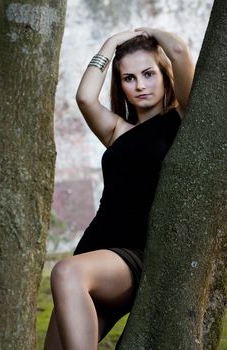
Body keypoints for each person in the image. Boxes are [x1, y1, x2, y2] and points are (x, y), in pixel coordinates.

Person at [44, 27, 194, 350]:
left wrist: (150, 32)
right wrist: (111, 43)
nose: (140, 85)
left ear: (164, 74)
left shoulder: (182, 117)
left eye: (148, 73)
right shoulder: (116, 130)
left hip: (132, 257)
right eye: (129, 78)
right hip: (92, 256)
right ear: (121, 84)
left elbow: (180, 53)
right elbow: (84, 97)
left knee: (65, 272)